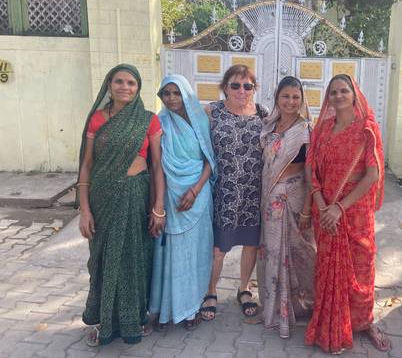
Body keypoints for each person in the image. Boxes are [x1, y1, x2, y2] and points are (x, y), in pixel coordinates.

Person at [77, 64, 165, 346]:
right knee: (103, 261)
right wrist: (85, 210)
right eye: (119, 82)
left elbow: (157, 167)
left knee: (134, 259)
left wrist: (158, 208)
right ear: (109, 85)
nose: (125, 87)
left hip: (135, 196)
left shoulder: (148, 120)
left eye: (131, 83)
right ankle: (104, 320)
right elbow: (87, 165)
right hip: (101, 199)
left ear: (138, 88)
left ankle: (134, 319)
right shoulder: (96, 120)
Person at [304, 74, 390, 353]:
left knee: (361, 269)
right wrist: (320, 203)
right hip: (324, 212)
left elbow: (372, 175)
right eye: (333, 92)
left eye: (344, 91)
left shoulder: (366, 129)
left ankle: (363, 323)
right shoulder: (323, 129)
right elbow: (310, 170)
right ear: (328, 98)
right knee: (327, 269)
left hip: (353, 213)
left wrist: (340, 208)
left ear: (354, 95)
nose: (339, 96)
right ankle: (329, 320)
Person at [200, 64, 268, 321]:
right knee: (220, 246)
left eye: (247, 86)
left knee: (250, 244)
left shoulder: (262, 113)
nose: (242, 90)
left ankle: (244, 289)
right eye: (235, 85)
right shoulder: (212, 111)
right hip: (225, 191)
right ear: (225, 87)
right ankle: (210, 290)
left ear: (254, 89)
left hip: (253, 190)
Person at [149, 75, 216, 330]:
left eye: (176, 93)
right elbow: (158, 167)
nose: (171, 98)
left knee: (197, 252)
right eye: (166, 93)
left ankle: (192, 307)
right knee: (173, 253)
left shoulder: (202, 120)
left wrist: (196, 190)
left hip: (197, 197)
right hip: (171, 197)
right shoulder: (159, 122)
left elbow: (210, 160)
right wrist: (159, 206)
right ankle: (168, 308)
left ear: (186, 94)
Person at [257, 76, 316, 339]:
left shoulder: (305, 130)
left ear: (302, 99)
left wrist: (307, 209)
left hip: (293, 201)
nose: (291, 101)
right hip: (270, 202)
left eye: (295, 96)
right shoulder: (269, 126)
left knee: (299, 254)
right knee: (272, 254)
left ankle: (304, 304)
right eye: (285, 96)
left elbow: (311, 174)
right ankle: (277, 307)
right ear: (277, 98)